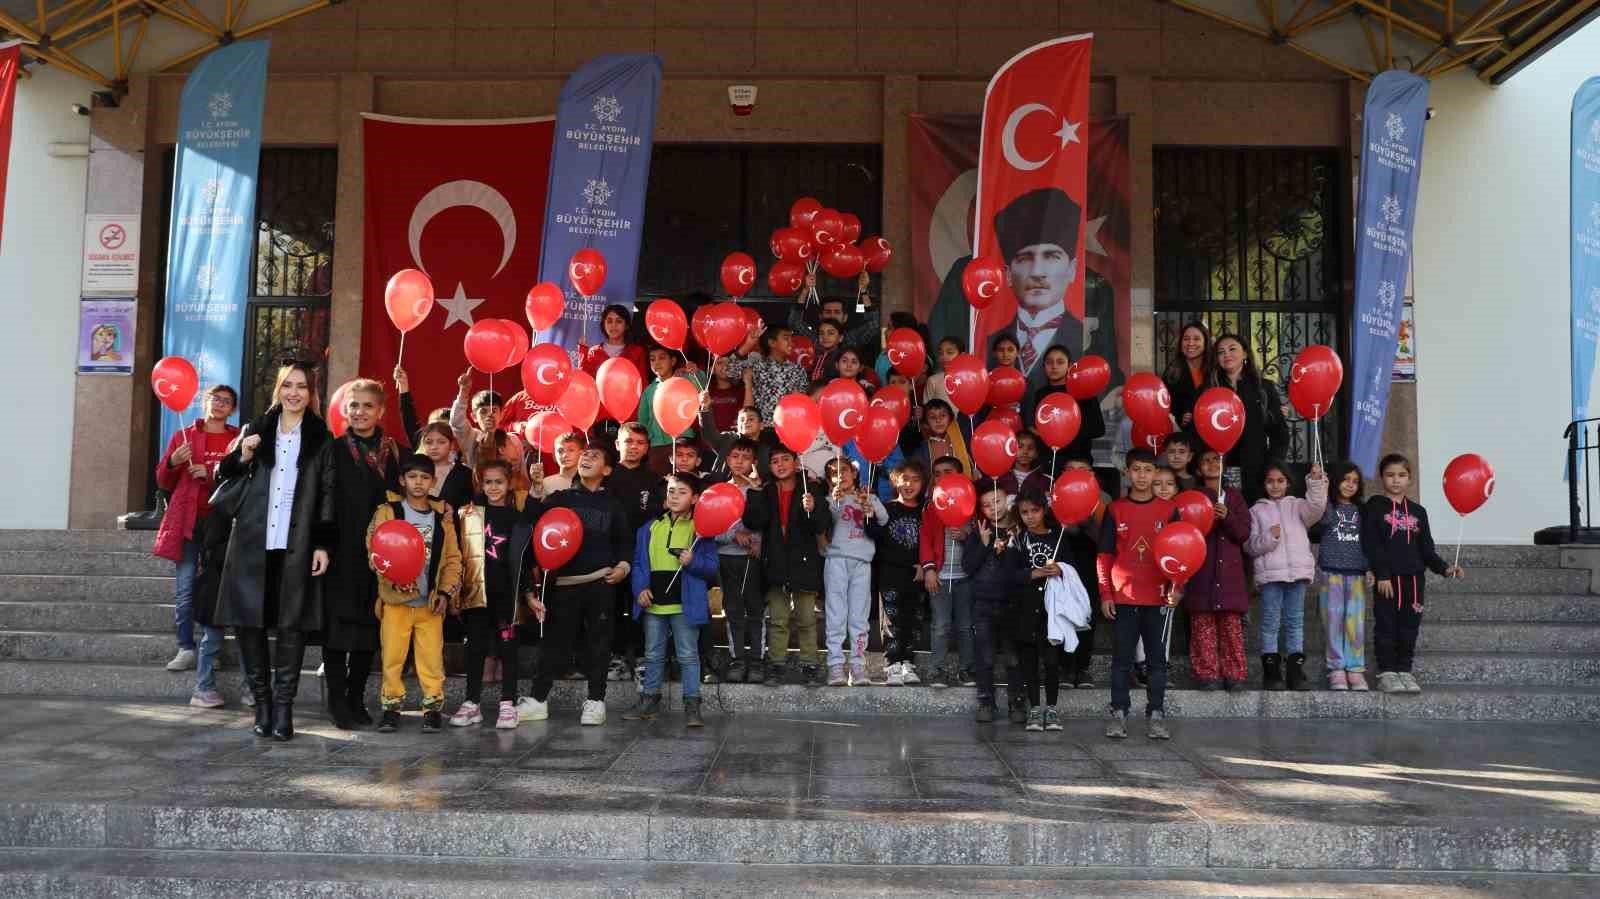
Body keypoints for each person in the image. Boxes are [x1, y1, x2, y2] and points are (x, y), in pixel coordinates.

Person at [213, 362, 333, 742]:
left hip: (296, 545)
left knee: (291, 627)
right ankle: (261, 706)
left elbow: (328, 494)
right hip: (252, 540)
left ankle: (284, 710)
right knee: (250, 624)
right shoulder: (256, 429)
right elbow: (223, 474)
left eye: (301, 386)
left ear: (311, 394)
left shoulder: (320, 437)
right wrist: (244, 455)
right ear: (278, 390)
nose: (294, 393)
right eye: (287, 386)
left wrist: (323, 544)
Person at [525, 445, 634, 724]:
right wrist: (536, 489)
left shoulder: (614, 504)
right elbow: (532, 521)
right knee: (552, 643)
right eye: (584, 454)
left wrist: (623, 567)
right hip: (563, 584)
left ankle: (596, 701)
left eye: (595, 455)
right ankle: (538, 700)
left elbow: (624, 543)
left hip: (600, 583)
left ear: (607, 470)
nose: (586, 457)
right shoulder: (561, 498)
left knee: (598, 644)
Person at [320, 379, 403, 730]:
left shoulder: (395, 453)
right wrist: (322, 544)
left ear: (381, 411)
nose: (360, 412)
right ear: (344, 410)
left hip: (382, 554)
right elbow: (323, 499)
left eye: (368, 406)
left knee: (370, 629)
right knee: (337, 630)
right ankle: (337, 701)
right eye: (354, 406)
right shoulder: (334, 450)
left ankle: (356, 697)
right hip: (341, 551)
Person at [152, 384, 240, 691]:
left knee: (215, 589)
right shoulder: (184, 435)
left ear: (233, 409)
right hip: (189, 521)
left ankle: (210, 649)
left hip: (223, 525)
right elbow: (163, 479)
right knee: (186, 588)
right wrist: (174, 461)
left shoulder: (236, 437)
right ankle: (186, 646)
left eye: (226, 401)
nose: (219, 404)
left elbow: (247, 475)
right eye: (215, 399)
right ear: (205, 402)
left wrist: (214, 471)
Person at [369, 456, 462, 733]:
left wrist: (445, 593)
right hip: (395, 603)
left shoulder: (440, 518)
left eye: (424, 478)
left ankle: (432, 708)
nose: (418, 483)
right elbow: (374, 549)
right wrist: (391, 577)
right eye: (412, 477)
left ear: (433, 481)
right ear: (402, 480)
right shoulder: (389, 511)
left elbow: (453, 559)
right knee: (392, 658)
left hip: (429, 603)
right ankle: (391, 707)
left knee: (431, 660)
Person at [1362, 453, 1465, 695]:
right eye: (1390, 475)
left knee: (1410, 626)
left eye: (1401, 475)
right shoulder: (1374, 507)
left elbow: (1427, 549)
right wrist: (1383, 574)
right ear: (1381, 478)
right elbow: (1372, 544)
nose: (1396, 480)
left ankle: (1404, 671)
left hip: (1414, 580)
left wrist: (1445, 568)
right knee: (1387, 625)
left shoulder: (1419, 512)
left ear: (1410, 479)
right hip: (1388, 580)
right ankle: (1387, 672)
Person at [451, 459, 542, 729]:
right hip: (476, 595)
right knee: (476, 647)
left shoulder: (518, 519)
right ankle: (472, 702)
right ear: (480, 483)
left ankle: (507, 703)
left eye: (499, 482)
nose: (493, 487)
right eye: (488, 482)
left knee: (507, 647)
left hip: (507, 596)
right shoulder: (468, 515)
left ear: (510, 483)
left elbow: (524, 562)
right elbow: (458, 556)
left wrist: (529, 595)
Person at [624, 472, 720, 726]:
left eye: (682, 492)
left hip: (684, 605)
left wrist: (693, 561)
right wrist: (639, 590)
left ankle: (692, 704)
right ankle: (649, 700)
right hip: (654, 604)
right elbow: (638, 563)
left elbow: (711, 567)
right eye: (671, 491)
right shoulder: (650, 527)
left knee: (688, 655)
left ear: (696, 498)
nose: (675, 496)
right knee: (653, 654)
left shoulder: (701, 530)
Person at [1097, 448, 1177, 741]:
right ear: (1127, 473)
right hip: (1124, 597)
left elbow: (1180, 553)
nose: (1142, 476)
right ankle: (1118, 712)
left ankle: (1156, 714)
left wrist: (1176, 588)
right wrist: (1106, 592)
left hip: (1158, 598)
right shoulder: (1115, 509)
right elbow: (1104, 554)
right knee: (1121, 660)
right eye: (1137, 470)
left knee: (1157, 661)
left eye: (1148, 470)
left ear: (1155, 474)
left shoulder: (1169, 511)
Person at [742, 445, 832, 685]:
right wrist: (755, 492)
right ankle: (777, 665)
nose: (780, 465)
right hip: (775, 562)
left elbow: (821, 524)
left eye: (785, 459)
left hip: (804, 562)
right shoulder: (767, 491)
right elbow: (754, 521)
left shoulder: (810, 488)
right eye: (774, 461)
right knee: (778, 619)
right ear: (769, 467)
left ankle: (810, 664)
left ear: (796, 463)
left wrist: (812, 509)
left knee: (806, 618)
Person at [1246, 461, 1329, 691]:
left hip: (1297, 574)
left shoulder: (1298, 505)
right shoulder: (1256, 511)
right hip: (1271, 576)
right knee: (1270, 623)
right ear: (1264, 484)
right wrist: (1269, 538)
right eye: (1270, 481)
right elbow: (1250, 546)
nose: (1275, 485)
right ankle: (1271, 673)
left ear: (1289, 483)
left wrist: (1314, 482)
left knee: (1295, 623)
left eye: (1280, 481)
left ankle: (1295, 672)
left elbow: (1317, 506)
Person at [994, 187, 1085, 390]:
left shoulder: (1086, 338)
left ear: (1072, 269)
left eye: (1051, 256)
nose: (1037, 272)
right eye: (1025, 258)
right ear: (1008, 274)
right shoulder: (989, 345)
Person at [1183, 448, 1253, 692]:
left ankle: (1234, 675)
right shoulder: (1193, 496)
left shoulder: (1235, 498)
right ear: (1199, 468)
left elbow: (1244, 533)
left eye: (1216, 459)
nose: (1212, 464)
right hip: (1202, 574)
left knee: (1231, 630)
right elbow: (1188, 532)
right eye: (1206, 460)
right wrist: (1210, 518)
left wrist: (1228, 517)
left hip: (1230, 577)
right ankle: (1207, 674)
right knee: (1203, 628)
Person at [1006, 490, 1070, 732]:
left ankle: (1051, 708)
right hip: (1024, 610)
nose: (1030, 516)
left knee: (1052, 661)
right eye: (1024, 512)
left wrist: (1060, 570)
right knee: (1029, 662)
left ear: (1045, 510)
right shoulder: (1018, 539)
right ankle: (1034, 708)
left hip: (1052, 611)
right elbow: (1009, 574)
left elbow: (1072, 570)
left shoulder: (1059, 537)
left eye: (1035, 510)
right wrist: (1034, 573)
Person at [605, 423, 663, 680]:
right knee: (613, 607)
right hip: (610, 553)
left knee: (642, 605)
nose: (633, 447)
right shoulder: (605, 476)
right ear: (617, 444)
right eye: (628, 441)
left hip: (643, 553)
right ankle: (616, 657)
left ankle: (641, 657)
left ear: (647, 447)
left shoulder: (654, 480)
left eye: (639, 443)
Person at [823, 457, 888, 686]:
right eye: (833, 473)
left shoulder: (868, 497)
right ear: (829, 480)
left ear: (854, 473)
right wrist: (834, 501)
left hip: (862, 561)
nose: (840, 476)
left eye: (844, 470)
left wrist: (868, 505)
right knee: (836, 614)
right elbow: (825, 523)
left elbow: (884, 518)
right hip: (837, 560)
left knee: (859, 616)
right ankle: (835, 665)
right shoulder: (830, 500)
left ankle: (858, 666)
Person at [918, 455, 977, 689]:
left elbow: (982, 542)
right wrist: (929, 569)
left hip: (966, 578)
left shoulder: (972, 506)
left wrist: (967, 536)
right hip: (940, 578)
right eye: (938, 473)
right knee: (940, 625)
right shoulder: (932, 507)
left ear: (960, 477)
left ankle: (967, 669)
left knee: (965, 625)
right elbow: (924, 540)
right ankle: (937, 670)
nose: (942, 477)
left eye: (948, 472)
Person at [1210, 334, 1288, 504]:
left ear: (1245, 354)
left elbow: (1280, 433)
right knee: (1228, 515)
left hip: (1257, 468)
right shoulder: (1209, 388)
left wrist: (1272, 465)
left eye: (1232, 349)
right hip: (1221, 468)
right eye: (1221, 352)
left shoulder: (1264, 388)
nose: (1226, 355)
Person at [712, 437, 766, 683]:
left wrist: (758, 542)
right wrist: (734, 534)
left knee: (756, 610)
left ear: (754, 462)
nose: (740, 461)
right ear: (726, 460)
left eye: (746, 457)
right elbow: (708, 527)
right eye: (735, 456)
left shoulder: (760, 490)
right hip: (726, 558)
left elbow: (770, 522)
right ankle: (737, 659)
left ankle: (757, 660)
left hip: (752, 560)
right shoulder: (718, 491)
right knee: (733, 611)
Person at [1318, 461, 1371, 692]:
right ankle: (1336, 668)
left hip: (1357, 574)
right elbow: (1321, 518)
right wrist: (1320, 485)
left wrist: (1371, 567)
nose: (1350, 485)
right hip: (1331, 572)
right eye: (1345, 479)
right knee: (1333, 622)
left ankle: (1355, 669)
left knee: (1354, 623)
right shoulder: (1327, 508)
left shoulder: (1363, 510)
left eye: (1355, 481)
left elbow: (1370, 543)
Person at [964, 488, 1016, 722]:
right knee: (984, 656)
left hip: (1011, 602)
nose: (993, 507)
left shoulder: (1018, 530)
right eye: (986, 505)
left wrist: (1007, 550)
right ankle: (985, 701)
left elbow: (1020, 567)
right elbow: (969, 566)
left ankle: (1017, 701)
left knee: (1013, 656)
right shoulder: (979, 532)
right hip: (983, 602)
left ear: (1008, 501)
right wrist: (985, 544)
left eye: (997, 501)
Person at [1058, 455, 1110, 694]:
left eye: (1083, 470)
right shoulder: (1054, 494)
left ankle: (1083, 666)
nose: (1077, 473)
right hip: (1062, 565)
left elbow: (1107, 540)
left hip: (1091, 564)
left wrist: (1087, 520)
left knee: (1087, 616)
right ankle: (1065, 666)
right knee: (1063, 614)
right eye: (1071, 469)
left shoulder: (1104, 500)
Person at [877, 460, 928, 687]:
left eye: (915, 479)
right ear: (895, 481)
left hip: (917, 574)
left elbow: (930, 541)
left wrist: (924, 565)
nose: (909, 484)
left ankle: (908, 661)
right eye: (905, 479)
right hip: (891, 573)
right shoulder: (887, 509)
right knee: (892, 620)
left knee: (913, 619)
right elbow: (876, 537)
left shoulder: (926, 510)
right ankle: (892, 664)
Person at [1023, 345, 1105, 470]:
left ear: (1070, 365)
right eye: (1049, 362)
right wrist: (1042, 434)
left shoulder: (1084, 393)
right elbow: (1031, 427)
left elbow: (1098, 429)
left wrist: (1066, 432)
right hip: (1046, 463)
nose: (1054, 366)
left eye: (1060, 362)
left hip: (1076, 463)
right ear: (1044, 366)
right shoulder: (1039, 395)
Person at [638, 345, 707, 473]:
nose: (657, 362)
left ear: (673, 361)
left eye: (662, 358)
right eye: (652, 359)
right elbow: (643, 420)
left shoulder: (685, 381)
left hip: (684, 443)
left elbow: (702, 388)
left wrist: (695, 372)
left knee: (684, 482)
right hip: (657, 445)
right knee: (659, 484)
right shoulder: (649, 390)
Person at [726, 325, 810, 425]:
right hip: (762, 429)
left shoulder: (798, 369)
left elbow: (804, 402)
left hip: (789, 428)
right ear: (772, 343)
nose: (791, 342)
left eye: (791, 338)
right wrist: (747, 345)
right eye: (786, 338)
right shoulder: (757, 366)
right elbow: (728, 369)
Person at [1162, 321, 1213, 436]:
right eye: (1186, 339)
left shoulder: (1214, 369)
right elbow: (1165, 403)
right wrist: (1181, 417)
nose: (1190, 343)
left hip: (1211, 431)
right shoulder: (1172, 370)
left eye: (1196, 339)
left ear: (1205, 342)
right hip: (1182, 436)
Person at [788, 291, 880, 353]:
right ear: (820, 316)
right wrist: (805, 291)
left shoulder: (852, 338)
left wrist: (863, 292)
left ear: (845, 317)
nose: (832, 316)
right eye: (828, 312)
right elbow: (794, 323)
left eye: (837, 312)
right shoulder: (814, 338)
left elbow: (874, 325)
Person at [580, 304, 650, 383]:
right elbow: (585, 381)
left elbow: (642, 383)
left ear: (626, 325)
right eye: (609, 321)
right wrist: (583, 353)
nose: (614, 325)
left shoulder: (638, 352)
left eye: (619, 321)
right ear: (604, 325)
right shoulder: (594, 352)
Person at [417, 422, 475, 511]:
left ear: (451, 445)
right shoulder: (414, 470)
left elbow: (468, 507)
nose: (434, 447)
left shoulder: (464, 474)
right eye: (429, 442)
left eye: (441, 442)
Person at [906, 399, 972, 476]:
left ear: (950, 419)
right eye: (932, 417)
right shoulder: (924, 449)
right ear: (926, 423)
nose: (938, 420)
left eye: (943, 415)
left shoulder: (961, 439)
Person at [998, 430, 1050, 498]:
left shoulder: (1045, 480)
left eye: (1030, 448)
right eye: (1020, 447)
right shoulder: (1000, 477)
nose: (1025, 451)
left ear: (1036, 454)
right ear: (1011, 450)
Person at [540, 431, 586, 496]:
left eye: (571, 450)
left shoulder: (590, 482)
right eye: (560, 451)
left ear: (581, 453)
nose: (565, 455)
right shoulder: (546, 483)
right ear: (554, 455)